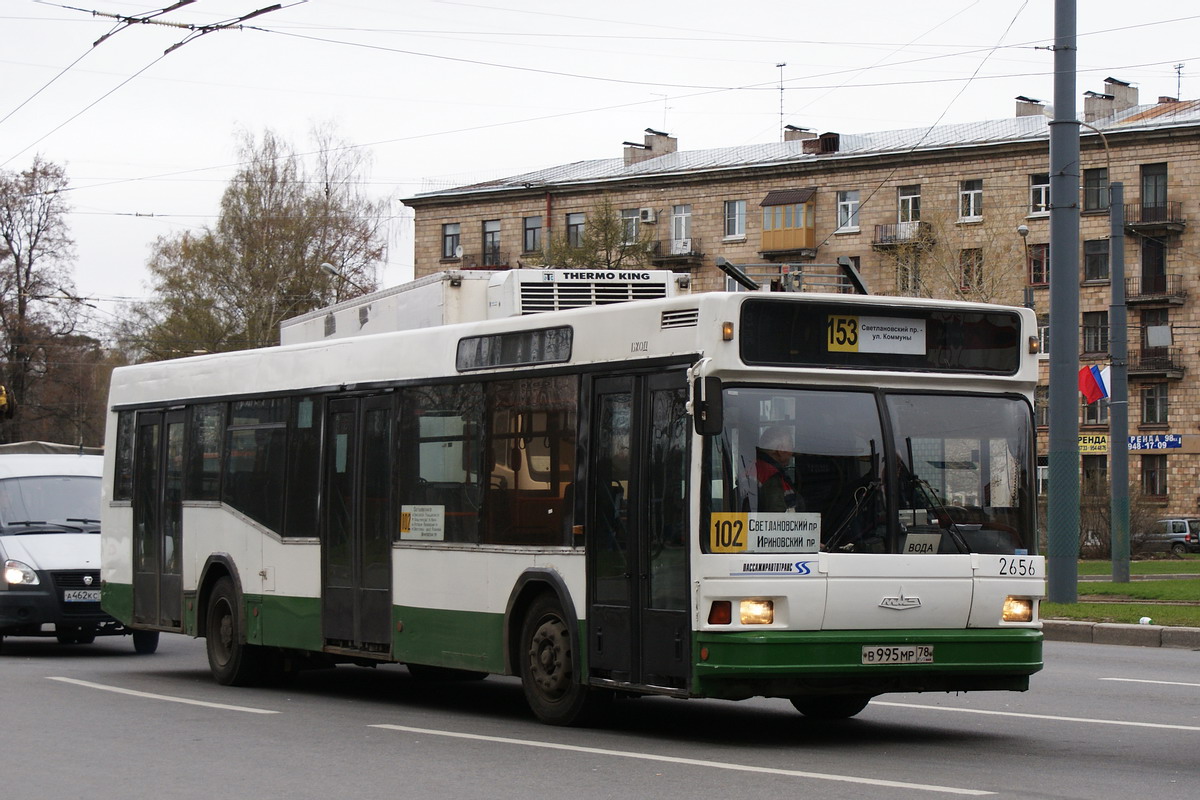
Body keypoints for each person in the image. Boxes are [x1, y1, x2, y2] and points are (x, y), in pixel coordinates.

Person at [755, 425, 802, 512]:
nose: (792, 452)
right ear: (781, 450)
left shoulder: (755, 468)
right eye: (790, 445)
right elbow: (777, 520)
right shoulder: (771, 477)